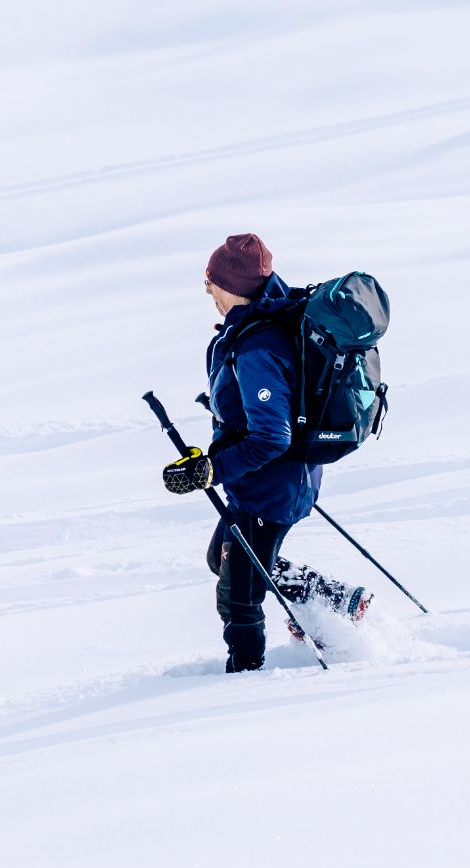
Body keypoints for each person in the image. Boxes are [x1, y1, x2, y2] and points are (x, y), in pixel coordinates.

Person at [162, 232, 370, 672]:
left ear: (230, 285)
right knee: (222, 558)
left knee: (239, 598)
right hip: (265, 482)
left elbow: (273, 437)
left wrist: (211, 470)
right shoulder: (265, 320)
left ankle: (245, 682)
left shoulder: (257, 345)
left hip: (271, 488)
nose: (206, 290)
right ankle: (334, 599)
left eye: (210, 281)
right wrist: (222, 418)